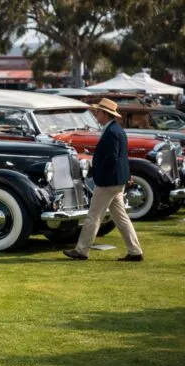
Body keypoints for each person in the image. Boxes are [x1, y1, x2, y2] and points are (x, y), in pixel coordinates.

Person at [64, 98, 144, 262]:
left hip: (109, 182)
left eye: (98, 112)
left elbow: (112, 158)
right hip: (116, 181)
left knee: (94, 216)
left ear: (105, 114)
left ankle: (82, 250)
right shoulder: (117, 130)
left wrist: (97, 172)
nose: (96, 114)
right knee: (121, 218)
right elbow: (120, 157)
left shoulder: (112, 132)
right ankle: (135, 251)